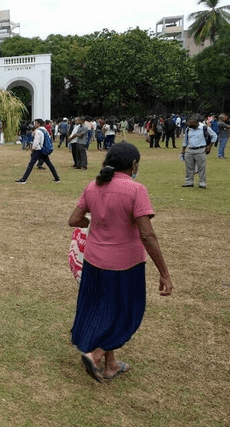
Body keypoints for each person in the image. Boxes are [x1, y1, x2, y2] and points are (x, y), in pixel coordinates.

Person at [68, 142, 173, 383]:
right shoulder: (136, 190)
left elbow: (74, 219)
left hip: (94, 262)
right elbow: (147, 234)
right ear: (134, 165)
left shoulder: (93, 186)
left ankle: (111, 365)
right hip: (125, 265)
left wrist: (92, 225)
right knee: (126, 313)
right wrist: (164, 273)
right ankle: (95, 356)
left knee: (104, 310)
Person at [16, 119, 61, 184]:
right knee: (49, 164)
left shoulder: (38, 131)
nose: (35, 125)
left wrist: (33, 149)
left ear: (39, 124)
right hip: (43, 149)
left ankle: (23, 179)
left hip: (38, 150)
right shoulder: (45, 130)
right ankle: (57, 178)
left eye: (36, 123)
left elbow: (36, 142)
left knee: (31, 165)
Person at [180, 114, 218, 189]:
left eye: (192, 123)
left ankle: (202, 183)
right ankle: (189, 182)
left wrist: (209, 146)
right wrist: (183, 150)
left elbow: (214, 136)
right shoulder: (188, 128)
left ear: (197, 122)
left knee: (201, 168)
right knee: (189, 167)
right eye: (189, 123)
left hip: (200, 150)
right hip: (190, 150)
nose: (189, 124)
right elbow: (186, 140)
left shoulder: (204, 127)